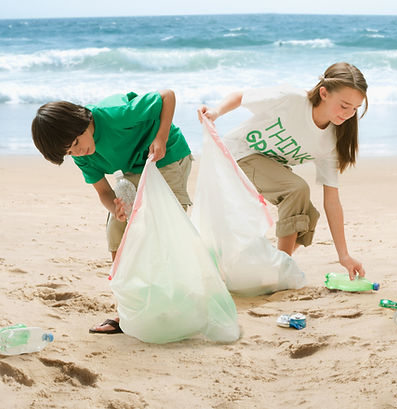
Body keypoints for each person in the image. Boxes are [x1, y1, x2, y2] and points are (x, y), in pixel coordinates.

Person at [31, 90, 193, 333]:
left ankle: (174, 303)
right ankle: (126, 310)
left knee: (163, 231)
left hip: (168, 154)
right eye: (69, 152)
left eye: (76, 143)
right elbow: (104, 193)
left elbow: (167, 96)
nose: (78, 152)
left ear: (83, 123)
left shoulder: (115, 115)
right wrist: (115, 209)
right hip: (135, 168)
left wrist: (160, 137)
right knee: (116, 230)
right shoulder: (82, 157)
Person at [197, 62, 368, 279]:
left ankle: (276, 263)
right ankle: (279, 271)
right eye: (344, 106)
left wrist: (344, 256)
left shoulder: (331, 141)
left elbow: (332, 201)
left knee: (307, 214)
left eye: (355, 108)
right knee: (296, 190)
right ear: (324, 93)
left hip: (268, 167)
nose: (349, 114)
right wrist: (215, 112)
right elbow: (241, 97)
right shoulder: (291, 99)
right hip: (236, 153)